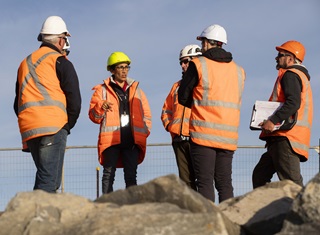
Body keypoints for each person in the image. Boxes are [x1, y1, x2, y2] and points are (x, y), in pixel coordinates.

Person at [178, 24, 246, 203]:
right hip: (228, 136)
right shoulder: (239, 71)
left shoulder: (198, 64)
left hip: (204, 134)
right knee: (225, 183)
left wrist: (199, 104)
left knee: (205, 182)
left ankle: (209, 227)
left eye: (202, 42)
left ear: (208, 43)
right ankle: (229, 223)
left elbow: (183, 97)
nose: (202, 46)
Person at [13, 16, 81, 193]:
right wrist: (67, 125)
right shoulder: (60, 61)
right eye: (65, 39)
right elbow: (74, 98)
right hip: (53, 126)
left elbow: (17, 102)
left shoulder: (24, 64)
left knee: (44, 176)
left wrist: (30, 119)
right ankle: (37, 218)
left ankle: (31, 213)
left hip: (29, 128)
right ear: (61, 39)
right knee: (50, 181)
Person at [252, 41, 313, 188]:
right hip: (282, 137)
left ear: (291, 58)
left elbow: (293, 103)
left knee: (293, 185)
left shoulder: (290, 74)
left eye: (280, 55)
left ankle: (302, 210)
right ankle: (269, 209)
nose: (276, 58)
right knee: (260, 175)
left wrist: (272, 120)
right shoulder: (296, 76)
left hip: (286, 137)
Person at [89, 51, 152, 194]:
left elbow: (146, 114)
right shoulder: (101, 90)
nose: (124, 71)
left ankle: (132, 208)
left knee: (131, 177)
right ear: (112, 70)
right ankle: (106, 206)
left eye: (126, 67)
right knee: (108, 175)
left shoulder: (137, 91)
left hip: (131, 140)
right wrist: (100, 107)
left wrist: (144, 132)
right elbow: (93, 116)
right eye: (120, 67)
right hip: (111, 141)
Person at [161, 44, 202, 190]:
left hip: (197, 139)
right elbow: (166, 110)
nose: (183, 65)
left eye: (186, 61)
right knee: (185, 182)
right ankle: (191, 212)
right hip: (178, 140)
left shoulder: (202, 84)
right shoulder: (176, 86)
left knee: (203, 180)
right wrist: (170, 126)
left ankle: (205, 211)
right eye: (181, 62)